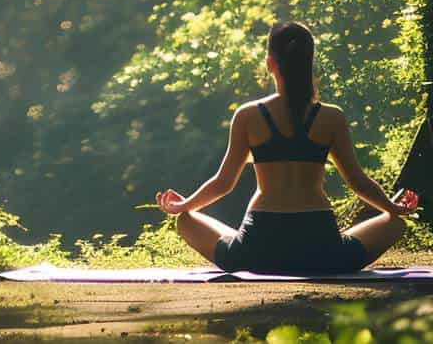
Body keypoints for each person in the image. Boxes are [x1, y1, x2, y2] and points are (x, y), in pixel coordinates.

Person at [156, 20, 418, 274]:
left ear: (270, 63)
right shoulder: (331, 117)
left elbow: (223, 183)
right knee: (394, 224)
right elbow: (357, 182)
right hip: (321, 248)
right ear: (308, 64)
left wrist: (185, 205)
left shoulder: (248, 116)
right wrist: (392, 207)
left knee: (186, 221)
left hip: (258, 248)